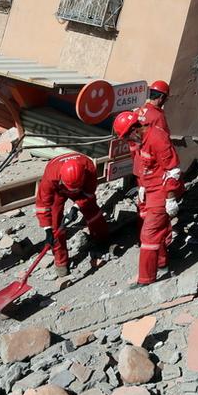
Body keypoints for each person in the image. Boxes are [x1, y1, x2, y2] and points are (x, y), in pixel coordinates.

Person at [114, 109, 183, 286]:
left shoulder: (157, 139)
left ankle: (146, 279)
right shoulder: (142, 141)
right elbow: (146, 165)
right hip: (150, 190)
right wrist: (143, 186)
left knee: (148, 235)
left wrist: (170, 198)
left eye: (127, 137)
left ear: (134, 130)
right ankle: (162, 264)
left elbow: (173, 171)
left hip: (161, 191)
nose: (129, 142)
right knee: (153, 229)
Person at [34, 152, 109, 277]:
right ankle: (61, 262)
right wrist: (47, 229)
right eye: (70, 188)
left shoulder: (89, 168)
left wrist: (76, 207)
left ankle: (102, 241)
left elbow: (89, 193)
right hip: (59, 190)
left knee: (93, 213)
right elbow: (43, 204)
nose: (71, 192)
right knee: (55, 225)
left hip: (82, 190)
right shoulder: (50, 177)